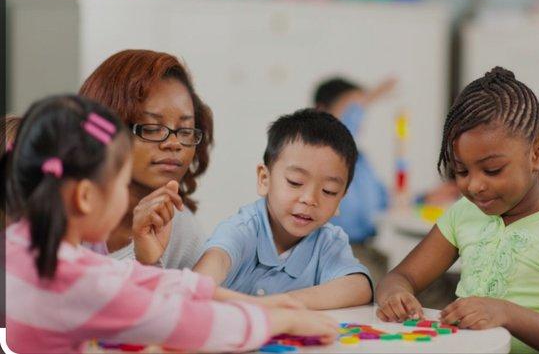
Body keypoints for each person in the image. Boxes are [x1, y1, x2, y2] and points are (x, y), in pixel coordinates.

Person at [3, 95, 339, 353]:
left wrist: (257, 303)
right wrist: (284, 319)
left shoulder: (23, 245)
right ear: (87, 197)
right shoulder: (71, 280)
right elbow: (191, 326)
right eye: (122, 186)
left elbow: (132, 277)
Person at [375, 67, 539, 353]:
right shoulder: (463, 214)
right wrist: (395, 294)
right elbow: (400, 277)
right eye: (461, 170)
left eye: (492, 170)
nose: (475, 185)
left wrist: (506, 313)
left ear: (537, 153)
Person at [195, 109, 373, 310]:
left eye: (329, 191)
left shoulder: (328, 242)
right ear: (264, 179)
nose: (310, 199)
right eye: (295, 182)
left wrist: (280, 303)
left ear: (341, 199)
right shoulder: (243, 228)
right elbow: (204, 277)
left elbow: (359, 286)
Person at [79, 49, 213, 268]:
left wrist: (150, 263)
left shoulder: (184, 234)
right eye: (152, 128)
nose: (174, 143)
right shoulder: (58, 209)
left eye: (186, 130)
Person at [313, 77, 393, 283]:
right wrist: (372, 95)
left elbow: (384, 201)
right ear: (322, 111)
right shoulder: (320, 152)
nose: (358, 115)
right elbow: (341, 129)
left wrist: (424, 198)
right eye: (352, 108)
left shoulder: (361, 160)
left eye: (361, 110)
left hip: (367, 248)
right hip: (337, 253)